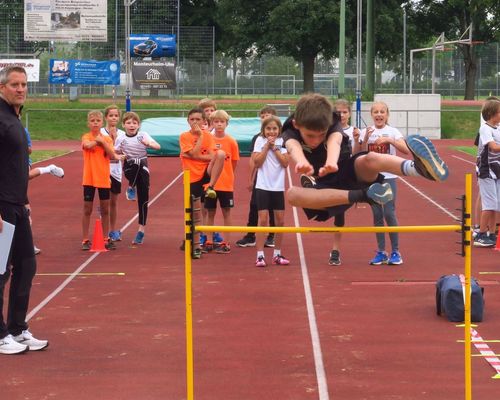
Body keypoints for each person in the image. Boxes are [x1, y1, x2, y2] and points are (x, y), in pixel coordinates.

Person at [283, 94, 449, 252]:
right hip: (327, 191)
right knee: (292, 195)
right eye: (310, 136)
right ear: (297, 125)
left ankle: (419, 169)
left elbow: (335, 141)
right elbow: (293, 146)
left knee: (370, 159)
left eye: (321, 135)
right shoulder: (290, 127)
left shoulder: (331, 118)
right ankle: (366, 195)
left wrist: (331, 162)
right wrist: (300, 161)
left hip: (346, 170)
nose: (315, 141)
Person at [0, 65, 48, 355]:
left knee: (27, 265)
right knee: (0, 271)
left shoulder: (15, 119)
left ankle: (18, 328)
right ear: (2, 87)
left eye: (24, 84)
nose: (20, 89)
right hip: (3, 208)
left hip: (18, 206)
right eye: (14, 84)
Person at [359, 101, 410, 265]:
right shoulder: (366, 131)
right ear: (372, 115)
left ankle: (396, 252)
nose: (379, 114)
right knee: (377, 215)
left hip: (388, 177)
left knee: (389, 212)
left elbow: (406, 150)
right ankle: (381, 252)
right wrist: (365, 138)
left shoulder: (392, 131)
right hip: (371, 178)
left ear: (387, 115)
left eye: (382, 112)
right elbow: (358, 153)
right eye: (376, 112)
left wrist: (390, 141)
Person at [179, 107, 225, 258]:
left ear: (204, 121)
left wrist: (197, 156)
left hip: (206, 173)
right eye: (192, 119)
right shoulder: (184, 136)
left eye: (198, 119)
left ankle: (211, 186)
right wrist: (198, 138)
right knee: (195, 212)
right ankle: (193, 243)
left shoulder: (208, 136)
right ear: (188, 121)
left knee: (221, 154)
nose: (195, 122)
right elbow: (193, 153)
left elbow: (210, 156)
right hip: (191, 176)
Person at [324, 99, 362, 266]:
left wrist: (357, 140)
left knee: (339, 216)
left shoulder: (354, 132)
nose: (341, 115)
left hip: (344, 176)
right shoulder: (329, 131)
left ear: (350, 113)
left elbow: (355, 156)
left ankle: (335, 250)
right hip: (329, 173)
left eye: (344, 112)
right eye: (338, 112)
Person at [115, 112, 160, 245]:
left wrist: (149, 144)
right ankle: (130, 187)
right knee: (136, 161)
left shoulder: (143, 135)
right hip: (129, 168)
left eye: (134, 123)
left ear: (139, 125)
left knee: (144, 200)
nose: (132, 125)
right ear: (123, 125)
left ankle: (141, 231)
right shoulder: (121, 138)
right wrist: (118, 156)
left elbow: (158, 146)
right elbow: (113, 151)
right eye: (128, 123)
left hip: (143, 171)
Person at [236, 106, 278, 248]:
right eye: (263, 116)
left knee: (273, 207)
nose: (265, 118)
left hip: (274, 180)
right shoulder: (257, 138)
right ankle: (250, 235)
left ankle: (272, 235)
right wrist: (250, 178)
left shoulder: (281, 139)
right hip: (260, 180)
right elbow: (253, 160)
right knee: (254, 205)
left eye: (268, 115)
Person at [252, 116, 290, 267]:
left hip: (278, 186)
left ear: (279, 130)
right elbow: (257, 162)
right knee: (262, 220)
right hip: (263, 186)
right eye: (268, 128)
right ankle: (260, 255)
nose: (271, 131)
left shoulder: (283, 142)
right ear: (263, 130)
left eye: (274, 128)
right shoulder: (259, 141)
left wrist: (275, 149)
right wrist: (266, 147)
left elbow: (286, 163)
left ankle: (277, 254)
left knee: (280, 221)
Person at [81, 110, 121, 251]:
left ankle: (106, 237)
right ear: (88, 123)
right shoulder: (86, 136)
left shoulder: (107, 139)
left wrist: (102, 142)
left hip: (103, 178)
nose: (95, 123)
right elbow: (87, 145)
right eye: (92, 121)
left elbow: (112, 155)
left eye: (98, 121)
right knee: (87, 209)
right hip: (89, 178)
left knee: (105, 209)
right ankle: (85, 239)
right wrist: (97, 141)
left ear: (102, 123)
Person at [203, 110, 239, 253]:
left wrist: (227, 175)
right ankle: (209, 241)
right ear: (212, 123)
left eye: (222, 122)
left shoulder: (231, 142)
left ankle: (226, 242)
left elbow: (234, 162)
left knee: (226, 212)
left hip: (226, 184)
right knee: (210, 212)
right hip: (210, 184)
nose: (219, 124)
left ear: (226, 124)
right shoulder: (208, 140)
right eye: (216, 122)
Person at [473, 98, 500, 247]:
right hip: (487, 170)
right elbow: (494, 147)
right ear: (492, 114)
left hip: (497, 170)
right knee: (489, 204)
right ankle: (481, 234)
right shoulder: (485, 128)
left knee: (496, 204)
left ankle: (492, 233)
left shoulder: (498, 128)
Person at [101, 105, 126, 241]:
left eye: (116, 115)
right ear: (106, 117)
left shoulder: (122, 134)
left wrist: (115, 141)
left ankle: (113, 230)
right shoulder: (100, 132)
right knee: (105, 201)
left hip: (116, 171)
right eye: (111, 115)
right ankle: (104, 231)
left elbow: (123, 153)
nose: (113, 118)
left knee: (114, 202)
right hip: (103, 170)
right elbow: (102, 153)